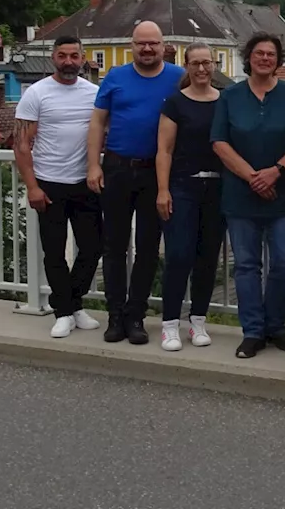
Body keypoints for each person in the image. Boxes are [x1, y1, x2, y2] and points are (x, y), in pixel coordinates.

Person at [86, 21, 185, 345]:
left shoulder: (177, 78)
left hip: (154, 174)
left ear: (162, 45)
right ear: (132, 45)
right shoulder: (114, 76)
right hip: (116, 168)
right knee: (113, 246)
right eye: (141, 44)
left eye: (152, 44)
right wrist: (93, 165)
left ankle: (136, 315)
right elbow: (98, 122)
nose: (147, 49)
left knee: (147, 248)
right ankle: (115, 316)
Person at [211, 31, 285, 359]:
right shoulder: (231, 96)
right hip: (241, 194)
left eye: (271, 54)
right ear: (248, 58)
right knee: (247, 265)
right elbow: (220, 142)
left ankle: (276, 326)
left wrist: (275, 172)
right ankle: (252, 331)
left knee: (283, 263)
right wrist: (253, 177)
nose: (265, 58)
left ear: (278, 60)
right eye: (259, 53)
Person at [14, 36, 103, 339]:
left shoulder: (95, 93)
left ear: (83, 58)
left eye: (74, 56)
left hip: (86, 182)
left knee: (92, 247)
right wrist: (32, 187)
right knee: (54, 251)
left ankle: (71, 303)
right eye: (62, 56)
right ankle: (64, 312)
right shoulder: (37, 93)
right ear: (53, 57)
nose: (68, 61)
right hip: (49, 183)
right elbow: (22, 145)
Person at [155, 42, 224, 351]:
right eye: (195, 63)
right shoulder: (175, 103)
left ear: (214, 64)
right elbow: (164, 150)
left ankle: (198, 321)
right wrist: (163, 189)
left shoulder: (224, 102)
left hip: (217, 190)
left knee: (207, 258)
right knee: (179, 256)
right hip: (183, 187)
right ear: (186, 66)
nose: (201, 69)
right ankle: (169, 324)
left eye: (206, 63)